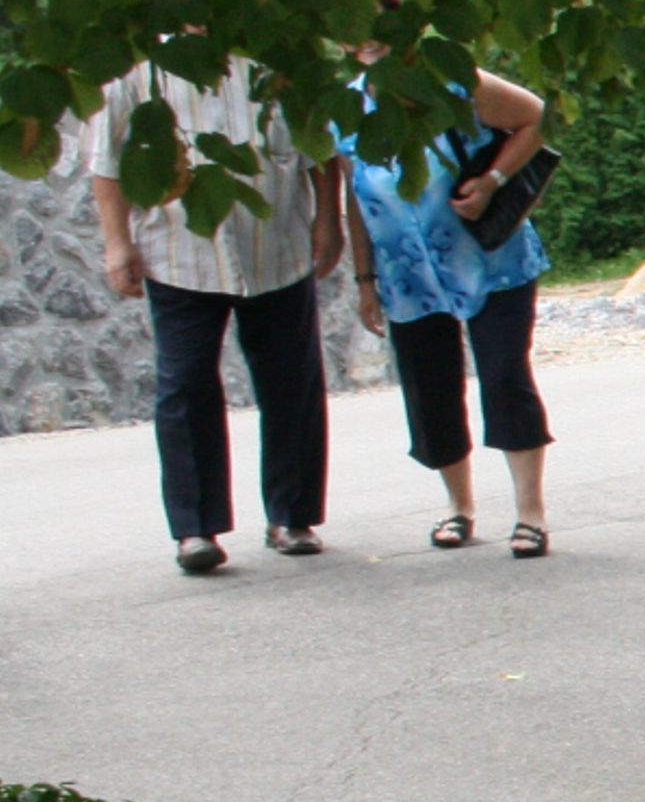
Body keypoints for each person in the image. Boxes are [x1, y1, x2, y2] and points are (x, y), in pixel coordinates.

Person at [78, 55, 343, 575]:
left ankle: (292, 517)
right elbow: (108, 164)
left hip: (277, 247)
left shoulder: (275, 57)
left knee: (292, 381)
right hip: (180, 254)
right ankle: (195, 528)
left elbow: (321, 149)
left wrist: (328, 221)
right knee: (185, 383)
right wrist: (117, 243)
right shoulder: (138, 69)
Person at [344, 59, 557, 556]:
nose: (372, 45)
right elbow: (356, 197)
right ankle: (458, 505)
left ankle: (530, 512)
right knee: (429, 387)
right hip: (407, 272)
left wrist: (493, 180)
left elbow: (536, 117)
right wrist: (364, 279)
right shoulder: (347, 108)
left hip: (489, 257)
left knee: (504, 374)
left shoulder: (455, 81)